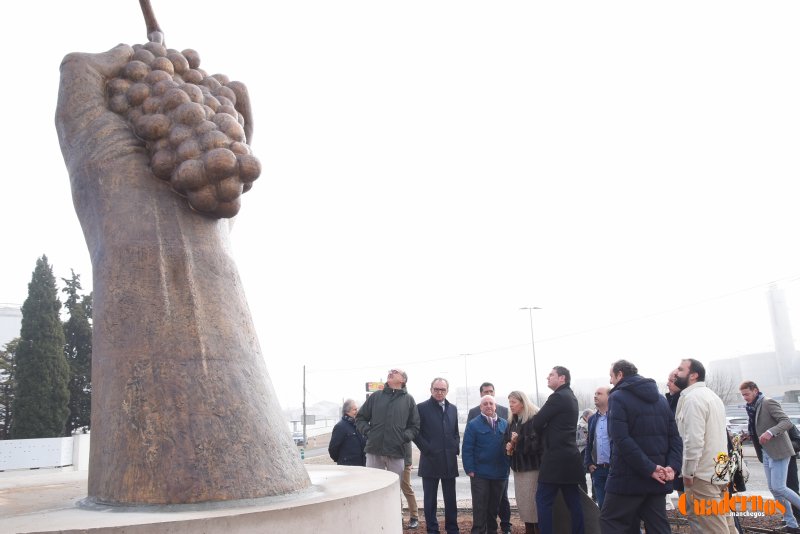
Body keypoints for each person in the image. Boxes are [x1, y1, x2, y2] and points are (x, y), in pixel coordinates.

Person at [599, 360, 682, 534]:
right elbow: (674, 437)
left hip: (627, 479)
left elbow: (621, 439)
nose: (611, 382)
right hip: (657, 478)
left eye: (611, 377)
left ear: (620, 374)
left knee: (611, 522)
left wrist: (650, 468)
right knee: (658, 527)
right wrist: (672, 467)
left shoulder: (617, 397)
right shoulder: (660, 399)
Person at [673, 358, 735, 533]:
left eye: (680, 369)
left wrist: (688, 472)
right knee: (725, 524)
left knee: (713, 528)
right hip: (718, 471)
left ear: (693, 375)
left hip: (702, 476)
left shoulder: (693, 399)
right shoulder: (711, 396)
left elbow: (693, 440)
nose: (676, 373)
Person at [356, 368, 420, 529]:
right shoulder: (376, 397)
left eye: (395, 372)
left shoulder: (409, 400)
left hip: (397, 452)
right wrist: (369, 432)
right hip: (374, 450)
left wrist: (403, 437)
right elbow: (360, 418)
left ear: (403, 380)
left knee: (393, 490)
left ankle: (394, 522)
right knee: (372, 487)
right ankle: (373, 522)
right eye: (390, 371)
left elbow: (415, 426)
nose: (391, 372)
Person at [740, 380, 800, 533]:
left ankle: (792, 522)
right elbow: (759, 426)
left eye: (747, 394)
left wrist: (770, 432)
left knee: (780, 487)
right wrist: (749, 435)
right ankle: (792, 524)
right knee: (774, 489)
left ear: (755, 390)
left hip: (779, 450)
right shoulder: (752, 408)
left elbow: (786, 422)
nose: (745, 397)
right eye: (743, 395)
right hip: (766, 452)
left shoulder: (768, 402)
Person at [532, 366, 585, 534]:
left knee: (543, 500)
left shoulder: (557, 397)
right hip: (570, 458)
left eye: (551, 375)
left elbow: (537, 422)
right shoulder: (572, 397)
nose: (547, 377)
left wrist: (545, 428)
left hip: (555, 460)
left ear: (562, 378)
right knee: (573, 502)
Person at [414, 378, 460, 534]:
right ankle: (432, 530)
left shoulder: (453, 408)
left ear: (447, 390)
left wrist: (455, 447)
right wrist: (428, 449)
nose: (439, 392)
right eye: (436, 389)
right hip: (430, 460)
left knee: (450, 500)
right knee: (430, 500)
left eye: (443, 389)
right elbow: (415, 432)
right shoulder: (421, 408)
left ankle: (452, 529)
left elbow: (455, 432)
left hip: (449, 461)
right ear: (431, 389)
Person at [467, 382, 511, 534]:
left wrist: (507, 467)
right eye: (485, 404)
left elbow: (510, 448)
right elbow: (467, 448)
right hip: (480, 474)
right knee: (480, 506)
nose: (488, 406)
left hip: (499, 474)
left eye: (491, 403)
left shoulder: (505, 424)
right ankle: (478, 531)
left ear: (495, 406)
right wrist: (470, 469)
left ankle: (492, 530)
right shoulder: (473, 425)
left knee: (494, 506)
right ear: (481, 407)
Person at [504, 390, 542, 534]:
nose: (511, 405)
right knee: (524, 506)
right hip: (518, 470)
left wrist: (517, 441)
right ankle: (529, 530)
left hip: (532, 469)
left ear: (523, 402)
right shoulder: (512, 420)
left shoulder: (533, 419)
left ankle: (536, 530)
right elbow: (506, 440)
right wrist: (508, 445)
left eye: (513, 402)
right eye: (510, 402)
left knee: (533, 507)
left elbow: (537, 444)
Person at [584, 385, 611, 508]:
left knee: (618, 508)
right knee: (603, 508)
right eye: (595, 393)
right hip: (598, 470)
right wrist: (589, 463)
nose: (595, 396)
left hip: (614, 470)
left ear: (609, 397)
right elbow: (589, 442)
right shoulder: (592, 419)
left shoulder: (615, 417)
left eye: (599, 393)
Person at [328, 399, 367, 466]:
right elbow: (333, 449)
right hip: (347, 467)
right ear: (347, 411)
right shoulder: (340, 427)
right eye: (354, 410)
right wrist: (343, 460)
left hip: (361, 466)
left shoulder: (358, 425)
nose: (357, 412)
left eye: (357, 409)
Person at [664, 371, 684, 494]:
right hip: (677, 461)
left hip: (689, 465)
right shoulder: (670, 402)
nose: (667, 384)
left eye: (671, 381)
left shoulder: (687, 401)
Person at [402, 442, 421, 529]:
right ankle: (399, 517)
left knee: (407, 488)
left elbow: (407, 441)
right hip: (389, 459)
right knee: (394, 491)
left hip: (403, 460)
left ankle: (414, 517)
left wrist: (408, 462)